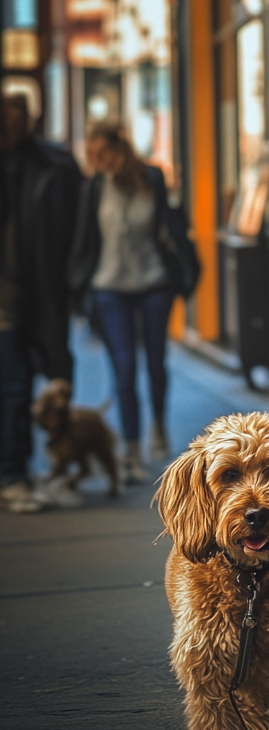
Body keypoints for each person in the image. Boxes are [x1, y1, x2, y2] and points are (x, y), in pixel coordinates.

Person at [68, 122, 177, 484]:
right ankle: (131, 449)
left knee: (156, 363)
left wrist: (180, 271)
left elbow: (169, 228)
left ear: (119, 149)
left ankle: (158, 425)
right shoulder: (95, 186)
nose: (96, 162)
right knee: (124, 368)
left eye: (102, 154)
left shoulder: (153, 178)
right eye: (91, 155)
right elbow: (84, 238)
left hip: (153, 283)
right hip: (109, 286)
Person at [0, 94, 82, 513]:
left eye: (19, 119)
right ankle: (13, 474)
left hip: (41, 295)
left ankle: (37, 471)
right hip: (8, 301)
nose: (13, 127)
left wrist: (75, 285)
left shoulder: (53, 165)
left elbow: (77, 231)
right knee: (13, 388)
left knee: (44, 384)